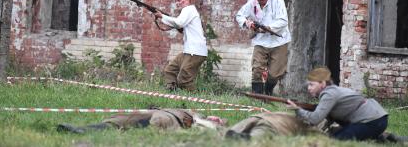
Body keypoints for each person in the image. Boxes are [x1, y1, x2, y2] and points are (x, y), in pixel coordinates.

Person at [287, 67, 388, 141]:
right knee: (336, 135)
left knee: (335, 142)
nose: (309, 88)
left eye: (311, 84)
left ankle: (382, 138)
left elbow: (315, 119)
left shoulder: (329, 94)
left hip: (372, 121)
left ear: (322, 83)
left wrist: (298, 110)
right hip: (376, 118)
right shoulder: (332, 91)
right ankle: (381, 137)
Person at [236, 0, 291, 95]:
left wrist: (269, 28)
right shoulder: (252, 3)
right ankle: (257, 96)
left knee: (275, 73)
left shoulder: (277, 0)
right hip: (261, 41)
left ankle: (268, 91)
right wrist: (248, 23)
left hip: (279, 41)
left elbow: (283, 20)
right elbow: (239, 15)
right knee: (257, 69)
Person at [154, 0, 207, 91]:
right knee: (170, 70)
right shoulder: (187, 12)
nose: (177, 3)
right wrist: (165, 21)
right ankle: (171, 92)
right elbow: (179, 25)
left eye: (179, 0)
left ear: (186, 0)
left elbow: (179, 23)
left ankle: (193, 99)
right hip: (189, 51)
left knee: (184, 79)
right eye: (176, 1)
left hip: (195, 51)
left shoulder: (189, 10)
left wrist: (162, 16)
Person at [57, 109, 226, 134]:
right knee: (118, 120)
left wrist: (213, 124)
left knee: (150, 126)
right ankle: (81, 129)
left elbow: (208, 128)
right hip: (158, 111)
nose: (215, 118)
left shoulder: (205, 125)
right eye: (216, 117)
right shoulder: (194, 110)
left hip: (171, 120)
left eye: (218, 120)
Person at [225, 111, 318, 140]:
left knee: (226, 134)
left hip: (258, 117)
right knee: (254, 139)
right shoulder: (311, 128)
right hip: (273, 124)